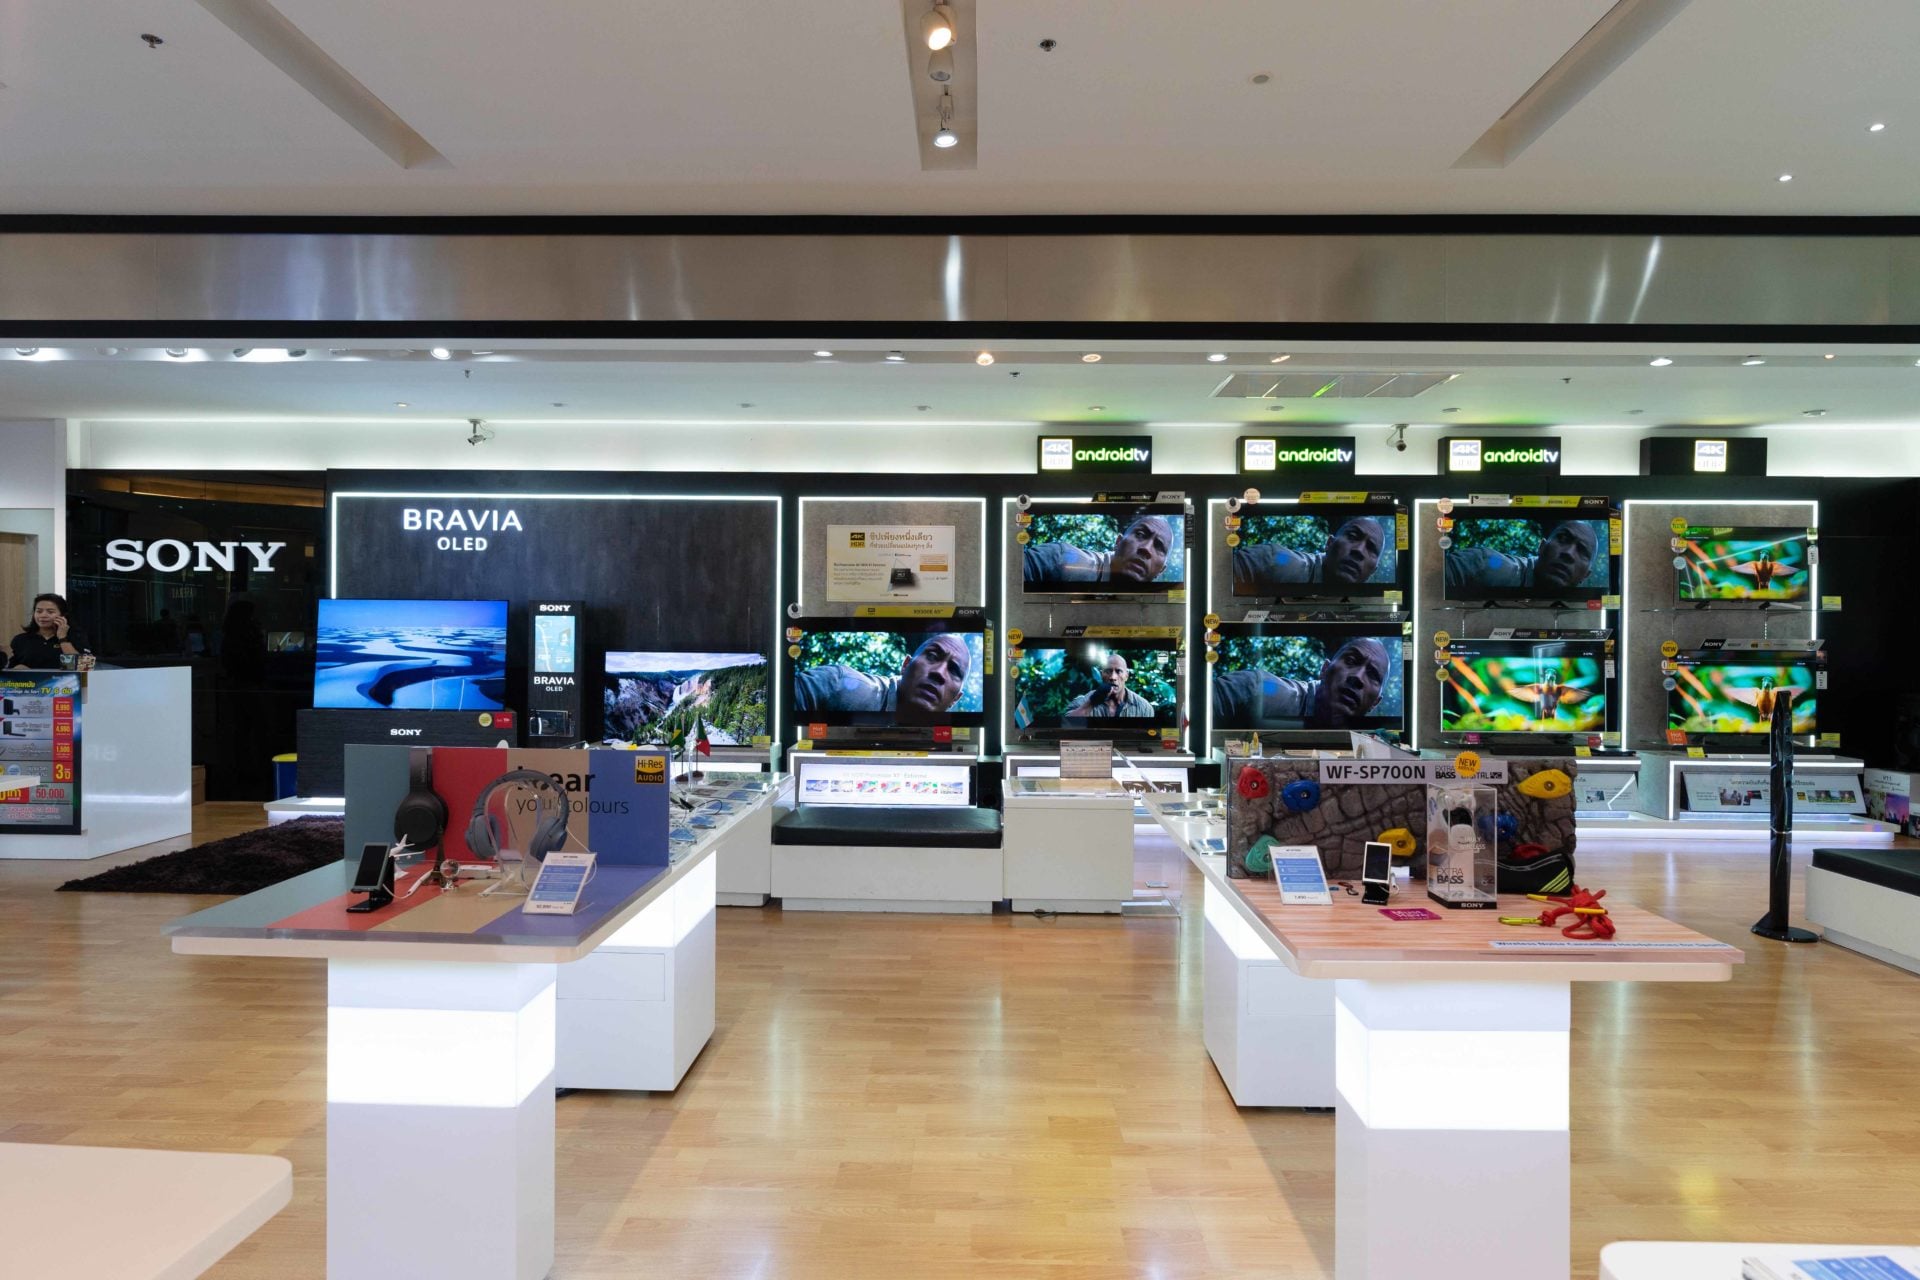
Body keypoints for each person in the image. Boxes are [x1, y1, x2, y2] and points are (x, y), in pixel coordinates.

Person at [1211, 637, 1392, 730]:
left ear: (1375, 703)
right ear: (1324, 669)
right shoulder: (1258, 688)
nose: (1358, 677)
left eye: (1373, 675)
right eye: (1351, 661)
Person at [793, 633, 972, 725]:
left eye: (954, 670)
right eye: (932, 656)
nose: (939, 673)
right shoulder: (837, 684)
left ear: (955, 699)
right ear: (905, 665)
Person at [1231, 515, 1385, 592]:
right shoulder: (1276, 560)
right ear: (1329, 543)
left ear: (1373, 570)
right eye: (1352, 536)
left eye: (1371, 548)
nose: (1359, 551)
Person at [1444, 519, 1598, 595]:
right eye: (1563, 539)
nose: (1569, 553)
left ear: (1586, 575)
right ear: (1541, 547)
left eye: (1582, 550)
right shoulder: (1483, 564)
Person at [1023, 510, 1175, 587]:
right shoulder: (1060, 558)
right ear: (1118, 542)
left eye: (1159, 546)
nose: (1146, 549)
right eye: (1140, 534)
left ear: (1161, 571)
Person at [7, 593, 94, 670]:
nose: (43, 615)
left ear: (63, 615)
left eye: (50, 612)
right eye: (39, 611)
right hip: (30, 683)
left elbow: (85, 667)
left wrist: (63, 639)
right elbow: (9, 670)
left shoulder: (76, 636)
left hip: (65, 683)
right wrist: (18, 668)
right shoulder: (21, 639)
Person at [1064, 653, 1158, 719]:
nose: (1113, 677)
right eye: (1108, 671)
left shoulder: (1144, 708)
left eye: (1118, 671)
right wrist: (1091, 703)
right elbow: (1066, 725)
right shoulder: (1084, 701)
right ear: (1101, 675)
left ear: (1126, 676)